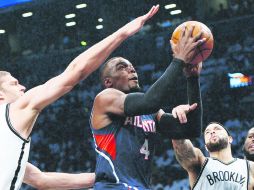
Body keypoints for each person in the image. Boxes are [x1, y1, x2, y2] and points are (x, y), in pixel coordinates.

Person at [0, 5, 160, 190]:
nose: (22, 87)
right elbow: (75, 72)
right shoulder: (13, 111)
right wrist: (123, 33)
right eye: (14, 83)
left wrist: (111, 172)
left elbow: (41, 180)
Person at [90, 24, 205, 189]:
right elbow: (150, 101)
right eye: (122, 67)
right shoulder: (105, 98)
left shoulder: (149, 112)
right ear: (108, 82)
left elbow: (190, 130)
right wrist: (178, 60)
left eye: (132, 67)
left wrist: (192, 78)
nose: (131, 69)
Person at [171, 117, 254, 189]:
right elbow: (181, 146)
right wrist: (177, 125)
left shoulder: (249, 166)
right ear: (206, 147)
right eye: (207, 132)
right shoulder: (200, 162)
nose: (212, 132)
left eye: (217, 129)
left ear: (230, 139)